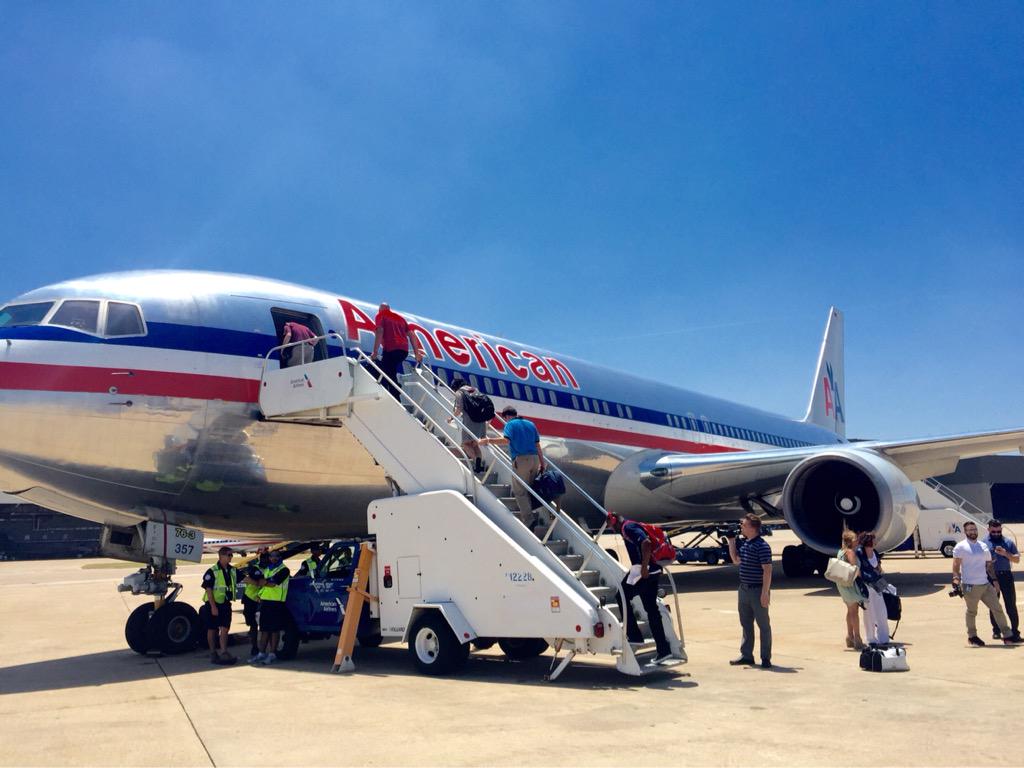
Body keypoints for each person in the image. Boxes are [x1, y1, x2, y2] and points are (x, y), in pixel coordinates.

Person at [606, 512, 673, 664]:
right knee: (651, 610)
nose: (612, 530)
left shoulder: (628, 527)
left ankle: (635, 635)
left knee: (621, 596)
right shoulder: (629, 526)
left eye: (610, 526)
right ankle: (663, 650)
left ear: (614, 521)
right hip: (653, 570)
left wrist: (643, 567)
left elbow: (646, 543)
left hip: (644, 572)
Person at [952, 521, 1018, 646]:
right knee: (972, 611)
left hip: (985, 584)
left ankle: (1008, 635)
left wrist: (994, 580)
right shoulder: (960, 547)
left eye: (974, 529)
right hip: (969, 585)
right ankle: (972, 637)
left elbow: (989, 566)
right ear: (965, 532)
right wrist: (956, 579)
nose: (973, 532)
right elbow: (956, 566)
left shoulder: (983, 546)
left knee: (997, 609)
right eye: (970, 530)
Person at [479, 406, 544, 527]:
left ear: (507, 416)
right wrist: (543, 464)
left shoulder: (511, 424)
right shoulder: (530, 424)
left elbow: (506, 441)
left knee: (519, 491)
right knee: (529, 489)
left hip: (522, 460)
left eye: (505, 418)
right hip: (535, 460)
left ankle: (529, 520)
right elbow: (538, 446)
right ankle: (531, 514)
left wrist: (488, 441)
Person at [726, 514, 773, 668]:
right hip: (744, 589)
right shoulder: (746, 544)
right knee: (746, 624)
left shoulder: (762, 546)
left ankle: (765, 657)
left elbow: (767, 570)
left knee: (763, 625)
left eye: (744, 525)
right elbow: (736, 560)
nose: (742, 527)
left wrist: (765, 593)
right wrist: (731, 542)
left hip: (757, 590)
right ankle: (746, 655)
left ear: (753, 528)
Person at [372, 302, 424, 399]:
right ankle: (395, 391)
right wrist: (417, 353)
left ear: (380, 309)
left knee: (383, 369)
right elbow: (412, 335)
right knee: (390, 370)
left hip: (391, 349)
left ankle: (395, 392)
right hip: (403, 351)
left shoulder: (380, 315)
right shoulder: (401, 319)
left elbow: (379, 331)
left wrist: (375, 351)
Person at [251, 549, 291, 665]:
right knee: (263, 629)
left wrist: (264, 582)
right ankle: (261, 653)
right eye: (271, 556)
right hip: (265, 602)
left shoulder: (284, 570)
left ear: (280, 557)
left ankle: (272, 653)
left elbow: (272, 583)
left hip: (277, 603)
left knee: (274, 630)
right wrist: (263, 585)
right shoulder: (268, 569)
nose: (273, 558)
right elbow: (263, 583)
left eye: (276, 556)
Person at [984, 519, 1021, 641]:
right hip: (990, 576)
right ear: (988, 529)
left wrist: (1006, 554)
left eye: (998, 531)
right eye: (993, 531)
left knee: (1011, 605)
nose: (996, 534)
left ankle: (1015, 631)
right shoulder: (983, 543)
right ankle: (996, 630)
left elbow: (1016, 559)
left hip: (1006, 576)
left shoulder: (1008, 542)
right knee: (994, 605)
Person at [201, 546, 238, 665]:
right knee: (212, 629)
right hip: (213, 604)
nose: (231, 557)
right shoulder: (212, 571)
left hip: (225, 603)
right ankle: (213, 652)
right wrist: (213, 607)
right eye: (229, 555)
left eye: (232, 555)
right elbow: (209, 589)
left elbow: (244, 578)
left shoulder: (232, 570)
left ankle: (223, 652)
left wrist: (261, 583)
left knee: (225, 628)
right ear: (221, 556)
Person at [854, 532, 890, 647]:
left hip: (877, 586)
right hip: (867, 586)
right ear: (868, 541)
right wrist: (864, 581)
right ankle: (871, 639)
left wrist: (879, 574)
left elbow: (879, 567)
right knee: (869, 613)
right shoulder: (859, 553)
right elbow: (857, 570)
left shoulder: (875, 553)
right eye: (874, 540)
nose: (876, 542)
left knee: (881, 612)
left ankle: (883, 638)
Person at [449, 377, 487, 474]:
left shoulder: (459, 393)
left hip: (470, 421)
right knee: (474, 444)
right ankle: (480, 464)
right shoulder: (475, 390)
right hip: (481, 420)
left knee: (465, 444)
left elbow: (459, 409)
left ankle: (476, 462)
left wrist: (451, 418)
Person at [835, 530, 865, 650]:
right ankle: (857, 638)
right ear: (850, 541)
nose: (857, 541)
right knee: (854, 611)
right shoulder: (850, 553)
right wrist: (864, 577)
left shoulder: (840, 552)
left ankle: (849, 636)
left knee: (849, 610)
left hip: (842, 583)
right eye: (855, 539)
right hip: (850, 584)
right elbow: (855, 569)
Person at [240, 547, 268, 659]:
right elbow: (259, 582)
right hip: (251, 599)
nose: (266, 561)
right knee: (253, 625)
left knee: (264, 626)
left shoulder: (269, 569)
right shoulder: (255, 569)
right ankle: (254, 646)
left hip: (262, 600)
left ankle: (262, 648)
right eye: (264, 559)